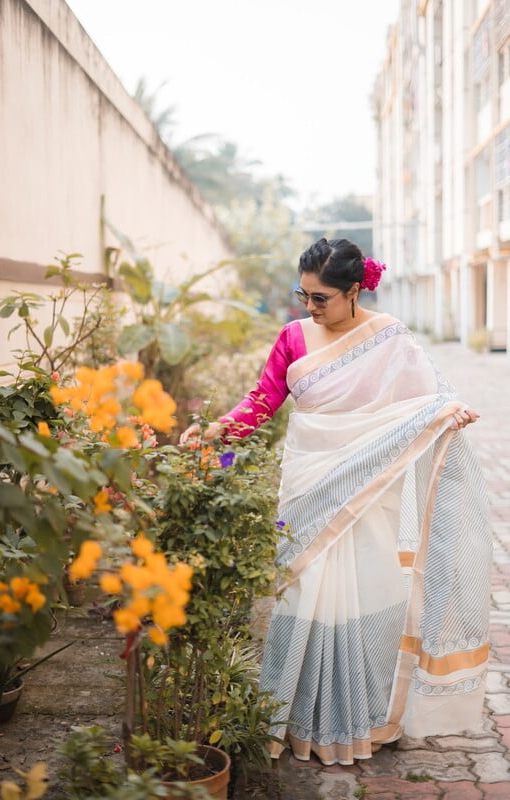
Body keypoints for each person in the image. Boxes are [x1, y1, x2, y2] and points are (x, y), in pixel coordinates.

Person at [179, 238, 492, 766]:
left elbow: (424, 400)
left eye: (320, 297)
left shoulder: (388, 336)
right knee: (303, 592)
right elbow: (263, 400)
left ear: (353, 291)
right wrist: (215, 431)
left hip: (368, 488)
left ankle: (362, 716)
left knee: (368, 593)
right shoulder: (293, 337)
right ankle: (298, 715)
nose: (310, 307)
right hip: (309, 483)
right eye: (302, 295)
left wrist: (448, 414)